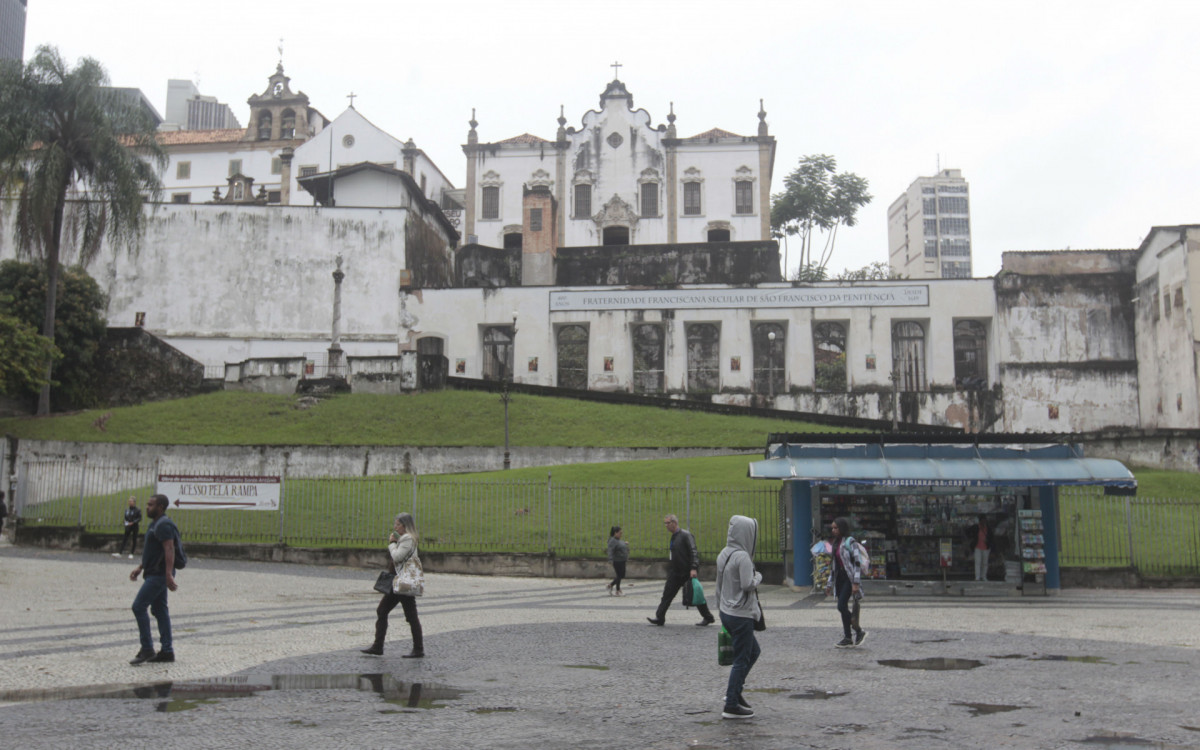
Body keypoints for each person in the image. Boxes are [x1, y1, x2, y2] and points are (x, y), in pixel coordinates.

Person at [715, 514, 762, 720]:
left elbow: (719, 585)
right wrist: (759, 576)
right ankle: (731, 704)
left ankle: (735, 692)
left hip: (727, 611)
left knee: (753, 651)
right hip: (741, 614)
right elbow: (747, 584)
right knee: (742, 659)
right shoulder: (742, 556)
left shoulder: (724, 553)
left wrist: (720, 607)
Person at [362, 512, 424, 658]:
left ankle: (418, 649)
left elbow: (397, 556)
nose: (395, 527)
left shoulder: (408, 539)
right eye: (395, 524)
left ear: (405, 526)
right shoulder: (404, 539)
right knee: (383, 611)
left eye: (397, 524)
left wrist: (391, 543)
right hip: (398, 582)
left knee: (409, 616)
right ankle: (378, 646)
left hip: (403, 583)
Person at [128, 494, 180, 665]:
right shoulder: (155, 524)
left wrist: (167, 574)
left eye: (151, 505)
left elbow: (169, 549)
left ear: (161, 507)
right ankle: (167, 651)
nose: (147, 507)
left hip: (159, 575)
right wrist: (140, 567)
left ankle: (147, 648)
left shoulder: (164, 524)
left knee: (138, 606)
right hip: (153, 572)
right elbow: (154, 551)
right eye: (147, 504)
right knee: (159, 610)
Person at [647, 514, 715, 626]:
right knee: (667, 594)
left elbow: (693, 552)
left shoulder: (686, 535)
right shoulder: (674, 536)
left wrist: (693, 568)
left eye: (667, 523)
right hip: (675, 572)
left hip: (687, 572)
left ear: (674, 523)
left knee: (695, 594)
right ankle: (660, 617)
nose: (666, 526)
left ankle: (708, 617)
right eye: (665, 523)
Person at [826, 516, 867, 648]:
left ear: (842, 528)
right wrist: (829, 583)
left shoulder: (851, 542)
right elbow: (834, 565)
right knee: (843, 608)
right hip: (840, 578)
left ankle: (858, 630)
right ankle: (847, 637)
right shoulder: (835, 543)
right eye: (832, 528)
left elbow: (856, 562)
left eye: (836, 528)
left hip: (849, 578)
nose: (833, 530)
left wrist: (856, 582)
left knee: (841, 605)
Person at [965, 514, 994, 582]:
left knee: (985, 563)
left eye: (985, 521)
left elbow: (992, 537)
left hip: (986, 547)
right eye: (982, 521)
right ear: (980, 521)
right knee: (978, 562)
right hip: (977, 547)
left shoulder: (988, 528)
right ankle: (977, 577)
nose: (984, 522)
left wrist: (988, 541)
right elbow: (967, 531)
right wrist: (971, 538)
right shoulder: (976, 527)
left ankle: (983, 576)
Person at [606, 525, 629, 596]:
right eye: (620, 533)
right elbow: (610, 550)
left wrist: (625, 544)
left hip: (622, 560)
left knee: (622, 575)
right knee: (619, 575)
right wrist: (610, 559)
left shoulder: (618, 540)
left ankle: (610, 585)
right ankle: (618, 590)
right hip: (617, 560)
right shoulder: (612, 540)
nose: (621, 534)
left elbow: (619, 544)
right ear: (615, 533)